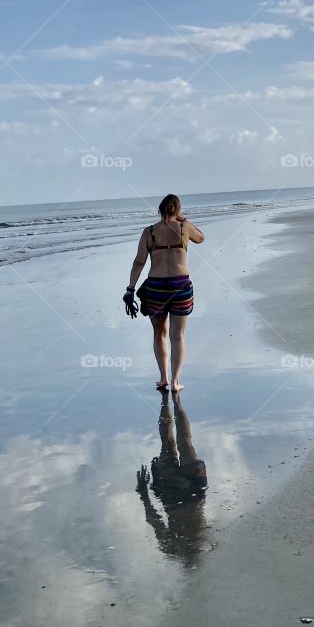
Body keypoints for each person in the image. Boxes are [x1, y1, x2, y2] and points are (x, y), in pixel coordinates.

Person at [124, 194, 204, 392]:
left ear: (159, 210)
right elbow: (201, 238)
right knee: (178, 336)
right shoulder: (185, 228)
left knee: (159, 333)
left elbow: (139, 262)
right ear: (177, 211)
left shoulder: (149, 232)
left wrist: (130, 289)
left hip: (156, 288)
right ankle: (176, 382)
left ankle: (163, 379)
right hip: (181, 286)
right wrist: (183, 219)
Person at [136, 395, 210, 566]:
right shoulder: (172, 549)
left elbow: (154, 520)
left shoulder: (205, 545)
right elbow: (153, 519)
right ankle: (168, 400)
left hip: (191, 493)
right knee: (171, 442)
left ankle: (172, 399)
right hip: (173, 495)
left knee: (183, 442)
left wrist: (144, 493)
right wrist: (143, 494)